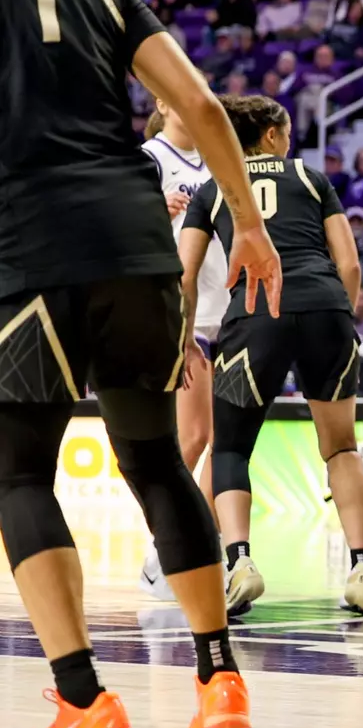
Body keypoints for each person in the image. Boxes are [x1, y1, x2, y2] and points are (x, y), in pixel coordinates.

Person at [0, 0, 279, 728]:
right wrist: (247, 222)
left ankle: (83, 701)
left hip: (28, 249)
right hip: (135, 246)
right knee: (157, 459)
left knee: (19, 473)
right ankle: (218, 681)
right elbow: (201, 109)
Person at [179, 96, 363, 618]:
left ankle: (241, 563)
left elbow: (184, 275)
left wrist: (181, 337)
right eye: (285, 131)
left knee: (231, 451)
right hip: (324, 308)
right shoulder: (312, 179)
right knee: (341, 448)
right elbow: (349, 262)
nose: (289, 141)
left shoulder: (214, 189)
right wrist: (341, 315)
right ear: (270, 135)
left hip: (255, 314)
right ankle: (361, 568)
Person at [134, 102, 233, 601]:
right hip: (179, 315)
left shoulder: (218, 160)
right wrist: (154, 208)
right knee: (192, 440)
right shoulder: (150, 157)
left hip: (229, 313)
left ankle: (198, 545)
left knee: (226, 444)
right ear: (162, 103)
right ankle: (161, 553)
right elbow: (119, 228)